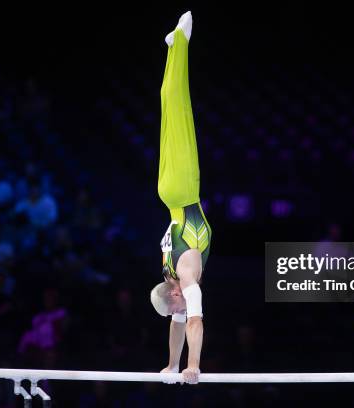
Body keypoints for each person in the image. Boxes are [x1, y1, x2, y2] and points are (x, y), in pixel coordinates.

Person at [149, 11, 211, 385]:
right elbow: (177, 324)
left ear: (175, 292)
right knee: (167, 105)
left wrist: (193, 365)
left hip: (182, 189)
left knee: (178, 107)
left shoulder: (186, 275)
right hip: (168, 192)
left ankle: (181, 41)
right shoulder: (170, 274)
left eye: (179, 304)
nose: (183, 308)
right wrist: (171, 365)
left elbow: (195, 321)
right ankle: (173, 49)